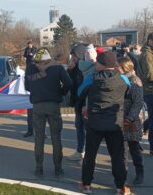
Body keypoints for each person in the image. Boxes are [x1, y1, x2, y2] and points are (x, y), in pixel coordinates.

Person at [78, 52, 131, 195]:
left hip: (95, 123)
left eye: (97, 62)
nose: (95, 64)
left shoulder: (90, 79)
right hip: (115, 123)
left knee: (90, 155)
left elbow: (79, 93)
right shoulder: (124, 79)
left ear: (102, 64)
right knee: (117, 156)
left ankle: (86, 185)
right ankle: (121, 187)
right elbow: (129, 94)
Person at [25, 47, 72, 178]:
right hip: (53, 105)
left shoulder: (30, 68)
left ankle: (39, 169)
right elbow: (69, 83)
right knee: (56, 138)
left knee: (38, 138)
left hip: (37, 106)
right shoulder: (57, 67)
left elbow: (27, 87)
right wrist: (61, 92)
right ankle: (58, 169)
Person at [117, 57, 145, 185]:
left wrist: (129, 118)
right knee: (121, 150)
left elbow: (138, 102)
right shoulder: (120, 79)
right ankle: (123, 174)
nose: (115, 67)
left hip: (131, 120)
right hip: (120, 118)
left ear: (124, 67)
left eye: (118, 65)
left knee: (134, 148)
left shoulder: (135, 81)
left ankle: (140, 173)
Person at [66, 44, 86, 159]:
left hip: (85, 104)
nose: (73, 57)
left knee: (87, 129)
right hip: (77, 102)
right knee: (79, 127)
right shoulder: (74, 67)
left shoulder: (86, 67)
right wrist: (69, 70)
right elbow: (68, 82)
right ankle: (79, 151)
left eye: (74, 55)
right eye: (72, 55)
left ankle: (86, 152)